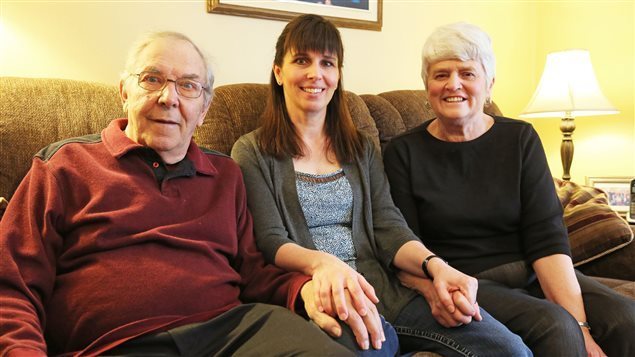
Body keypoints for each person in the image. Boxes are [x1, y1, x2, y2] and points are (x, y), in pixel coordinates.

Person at [0, 31, 395, 356]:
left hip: (234, 333)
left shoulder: (225, 174)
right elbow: (11, 285)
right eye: (152, 79)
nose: (169, 98)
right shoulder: (64, 165)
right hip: (117, 343)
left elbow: (254, 272)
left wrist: (302, 289)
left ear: (204, 109)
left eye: (188, 86)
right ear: (124, 91)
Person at [231, 14, 531, 356]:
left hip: (387, 292)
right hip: (331, 299)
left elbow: (389, 225)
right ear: (279, 72)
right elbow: (270, 239)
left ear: (338, 74)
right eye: (302, 60)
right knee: (375, 348)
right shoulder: (251, 151)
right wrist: (325, 264)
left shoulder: (359, 147)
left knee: (510, 350)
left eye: (327, 63)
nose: (316, 74)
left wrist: (437, 267)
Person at [383, 22, 635, 357]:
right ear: (427, 85)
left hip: (531, 269)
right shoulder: (403, 152)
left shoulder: (519, 139)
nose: (453, 84)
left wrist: (582, 326)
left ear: (489, 84)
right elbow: (403, 245)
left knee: (625, 318)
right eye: (441, 74)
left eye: (467, 73)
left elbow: (547, 237)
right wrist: (434, 290)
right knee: (556, 327)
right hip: (467, 281)